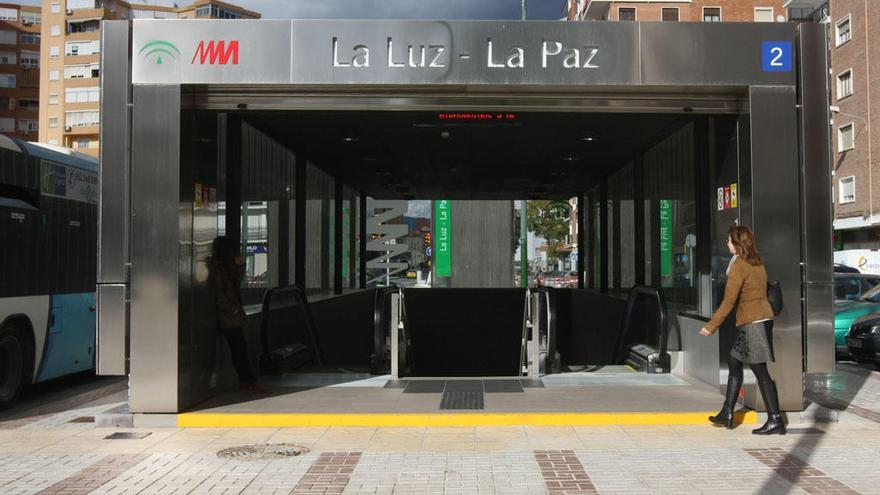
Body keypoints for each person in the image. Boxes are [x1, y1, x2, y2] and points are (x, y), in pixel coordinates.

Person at [699, 224, 785, 435]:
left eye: (729, 240)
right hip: (758, 319)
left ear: (737, 244)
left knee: (759, 370)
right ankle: (727, 412)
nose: (726, 243)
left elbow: (729, 302)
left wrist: (711, 326)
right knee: (734, 362)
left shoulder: (739, 266)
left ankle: (775, 420)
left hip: (753, 323)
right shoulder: (756, 262)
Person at [211, 236, 267, 393]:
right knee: (239, 350)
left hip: (231, 316)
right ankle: (249, 380)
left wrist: (241, 266)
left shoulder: (226, 269)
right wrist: (233, 309)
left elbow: (236, 282)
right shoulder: (218, 271)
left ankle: (247, 380)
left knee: (240, 349)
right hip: (227, 317)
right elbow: (220, 296)